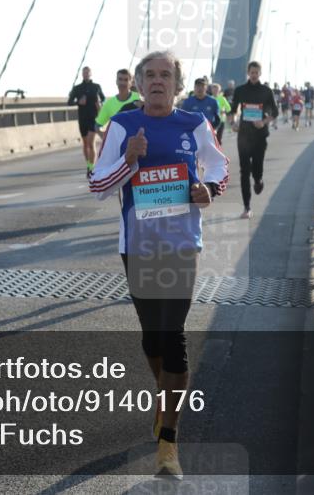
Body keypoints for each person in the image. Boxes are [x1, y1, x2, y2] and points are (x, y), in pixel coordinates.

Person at [90, 50, 229, 479]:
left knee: (173, 334)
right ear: (138, 82)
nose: (156, 81)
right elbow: (97, 184)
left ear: (177, 84)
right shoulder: (124, 125)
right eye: (148, 75)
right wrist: (128, 159)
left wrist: (208, 188)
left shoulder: (194, 124)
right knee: (153, 337)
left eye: (164, 75)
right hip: (138, 245)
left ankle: (168, 441)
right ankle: (165, 395)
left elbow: (220, 168)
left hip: (182, 244)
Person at [228, 61, 278, 219]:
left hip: (260, 135)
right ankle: (247, 207)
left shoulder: (266, 91)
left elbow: (275, 113)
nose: (254, 75)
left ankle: (258, 179)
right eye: (252, 72)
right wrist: (233, 123)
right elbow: (233, 111)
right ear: (248, 73)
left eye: (256, 72)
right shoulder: (240, 90)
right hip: (243, 135)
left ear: (260, 73)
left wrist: (263, 122)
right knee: (244, 171)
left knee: (256, 169)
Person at [68, 67, 105, 177]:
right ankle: (89, 165)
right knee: (85, 144)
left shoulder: (96, 87)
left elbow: (104, 99)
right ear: (82, 74)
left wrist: (100, 102)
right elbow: (69, 102)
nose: (86, 74)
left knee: (90, 142)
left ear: (91, 74)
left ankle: (91, 168)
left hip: (94, 117)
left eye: (88, 72)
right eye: (84, 72)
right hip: (82, 118)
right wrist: (78, 102)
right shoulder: (77, 88)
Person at [96, 69, 142, 138]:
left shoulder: (140, 98)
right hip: (120, 147)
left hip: (140, 144)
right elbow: (97, 125)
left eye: (126, 80)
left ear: (131, 82)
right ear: (116, 81)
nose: (122, 83)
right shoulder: (109, 103)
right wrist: (107, 139)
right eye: (120, 79)